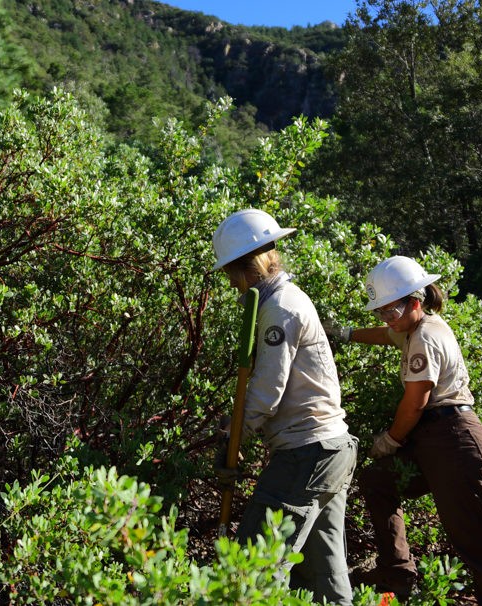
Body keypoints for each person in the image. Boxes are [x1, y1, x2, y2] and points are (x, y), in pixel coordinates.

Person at [328, 255, 482, 605]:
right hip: (434, 439)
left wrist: (390, 440)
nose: (387, 319)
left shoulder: (425, 339)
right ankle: (398, 573)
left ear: (415, 302)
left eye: (392, 311)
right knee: (378, 481)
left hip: (455, 441)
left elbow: (416, 401)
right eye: (381, 311)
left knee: (478, 540)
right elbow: (387, 335)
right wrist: (346, 334)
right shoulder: (413, 326)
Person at [211, 208, 358, 605]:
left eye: (231, 275)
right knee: (324, 574)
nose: (232, 285)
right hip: (332, 448)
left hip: (307, 453)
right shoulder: (284, 298)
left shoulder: (279, 307)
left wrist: (233, 431)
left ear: (247, 268)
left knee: (253, 564)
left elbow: (268, 389)